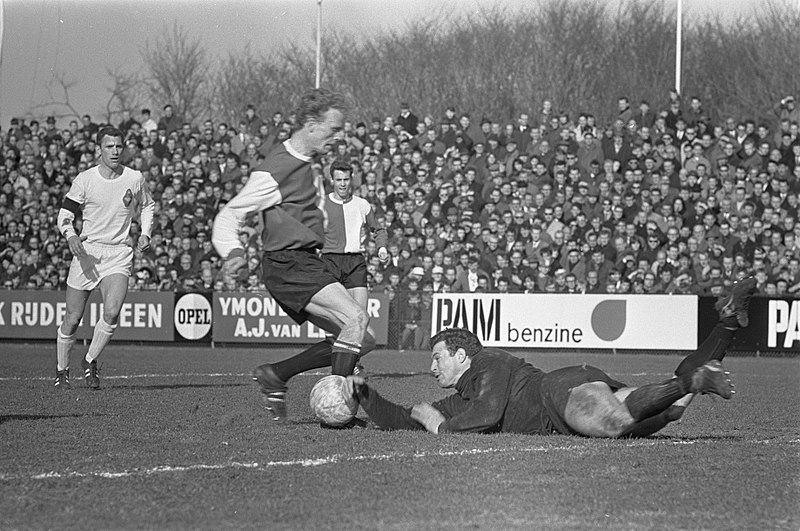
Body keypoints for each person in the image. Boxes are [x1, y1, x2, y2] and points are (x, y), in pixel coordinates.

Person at [346, 276, 757, 437]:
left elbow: (487, 414)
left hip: (559, 393)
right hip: (568, 405)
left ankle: (694, 380)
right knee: (671, 410)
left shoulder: (490, 362)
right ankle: (727, 323)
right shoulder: (458, 401)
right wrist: (365, 397)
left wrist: (443, 429)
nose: (431, 367)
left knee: (615, 423)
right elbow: (407, 418)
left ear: (461, 354)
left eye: (438, 358)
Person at [212, 88, 375, 423]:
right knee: (356, 320)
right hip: (288, 263)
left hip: (305, 262)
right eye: (333, 130)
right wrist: (234, 253)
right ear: (311, 125)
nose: (338, 138)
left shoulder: (308, 164)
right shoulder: (276, 169)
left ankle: (276, 374)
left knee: (363, 338)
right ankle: (340, 410)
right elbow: (229, 216)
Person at [54, 126, 155, 389]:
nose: (115, 151)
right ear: (98, 150)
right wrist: (71, 236)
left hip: (118, 253)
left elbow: (148, 205)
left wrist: (146, 233)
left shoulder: (134, 178)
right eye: (109, 146)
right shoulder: (85, 179)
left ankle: (89, 361)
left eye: (119, 146)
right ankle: (61, 371)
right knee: (73, 318)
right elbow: (65, 215)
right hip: (88, 252)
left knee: (112, 311)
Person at [321, 160, 389, 342]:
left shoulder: (362, 205)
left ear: (351, 180)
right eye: (338, 180)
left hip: (355, 263)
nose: (342, 184)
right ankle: (334, 358)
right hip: (330, 262)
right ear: (332, 180)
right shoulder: (322, 205)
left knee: (360, 317)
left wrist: (382, 248)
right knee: (333, 318)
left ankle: (353, 363)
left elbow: (378, 229)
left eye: (346, 179)